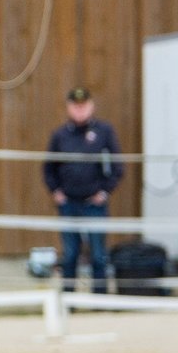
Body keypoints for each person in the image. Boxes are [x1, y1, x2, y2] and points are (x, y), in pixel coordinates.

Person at [42, 88, 124, 293]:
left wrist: (105, 191)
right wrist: (56, 191)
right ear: (69, 107)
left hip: (94, 203)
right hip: (68, 203)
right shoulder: (60, 135)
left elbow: (117, 166)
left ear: (91, 106)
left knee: (98, 254)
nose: (80, 110)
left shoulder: (104, 132)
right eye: (75, 106)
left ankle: (100, 301)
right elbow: (48, 167)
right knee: (70, 254)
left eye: (83, 105)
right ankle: (69, 301)